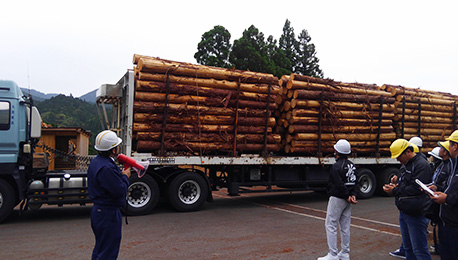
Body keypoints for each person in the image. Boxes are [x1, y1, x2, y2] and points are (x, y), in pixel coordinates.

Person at [383, 139, 432, 260]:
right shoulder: (407, 164)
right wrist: (396, 182)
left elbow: (416, 189)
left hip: (416, 212)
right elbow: (406, 182)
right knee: (408, 248)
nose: (397, 159)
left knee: (419, 250)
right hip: (405, 211)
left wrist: (394, 190)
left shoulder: (421, 165)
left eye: (399, 156)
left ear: (408, 152)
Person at [88, 130, 131, 260]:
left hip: (100, 212)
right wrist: (125, 177)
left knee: (101, 248)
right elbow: (119, 191)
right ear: (113, 150)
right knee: (108, 252)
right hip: (108, 213)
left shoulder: (97, 161)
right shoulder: (107, 168)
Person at [318, 139, 358, 260]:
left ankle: (333, 254)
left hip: (338, 197)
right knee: (345, 226)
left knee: (330, 224)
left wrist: (346, 195)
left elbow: (338, 184)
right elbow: (355, 182)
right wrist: (353, 195)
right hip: (348, 199)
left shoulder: (336, 166)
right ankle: (345, 253)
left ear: (337, 152)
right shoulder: (352, 165)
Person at [429, 131, 458, 260]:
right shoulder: (454, 165)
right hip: (447, 221)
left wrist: (446, 198)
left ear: (455, 147)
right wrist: (441, 191)